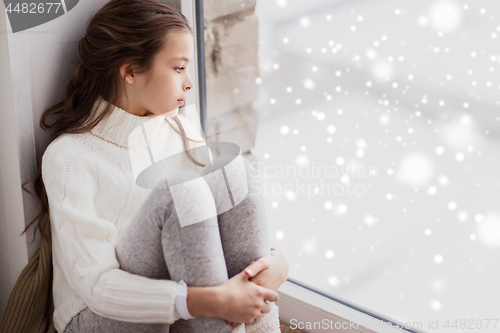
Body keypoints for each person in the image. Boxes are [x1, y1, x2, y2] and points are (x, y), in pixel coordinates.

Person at [21, 0, 289, 332]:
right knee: (182, 191)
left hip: (178, 301)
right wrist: (211, 301)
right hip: (97, 314)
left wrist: (276, 265)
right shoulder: (71, 157)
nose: (188, 83)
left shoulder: (179, 128)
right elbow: (98, 288)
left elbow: (213, 234)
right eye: (178, 68)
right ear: (130, 70)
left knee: (232, 171)